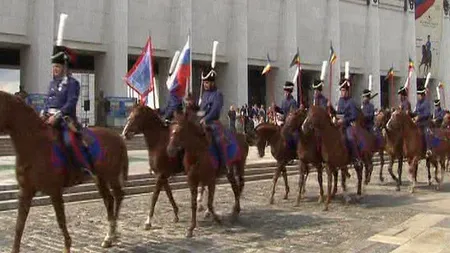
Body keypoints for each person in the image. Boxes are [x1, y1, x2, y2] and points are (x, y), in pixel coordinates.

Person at [41, 45, 95, 173]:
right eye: (54, 67)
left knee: (69, 141)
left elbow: (71, 102)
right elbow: (47, 101)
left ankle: (82, 166)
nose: (55, 69)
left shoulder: (72, 83)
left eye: (58, 67)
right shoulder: (52, 84)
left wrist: (57, 115)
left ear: (64, 68)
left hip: (66, 119)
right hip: (48, 118)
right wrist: (43, 112)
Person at [199, 65, 230, 169]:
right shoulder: (204, 95)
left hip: (213, 123)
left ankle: (223, 163)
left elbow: (215, 110)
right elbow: (201, 111)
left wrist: (205, 119)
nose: (205, 85)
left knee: (218, 140)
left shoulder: (218, 94)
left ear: (212, 82)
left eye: (207, 82)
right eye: (204, 82)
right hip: (202, 122)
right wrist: (196, 115)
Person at [336, 78, 361, 164]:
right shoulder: (340, 101)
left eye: (343, 90)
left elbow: (354, 115)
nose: (342, 92)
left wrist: (344, 120)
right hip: (339, 124)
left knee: (351, 138)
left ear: (347, 91)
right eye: (341, 90)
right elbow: (338, 112)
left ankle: (356, 157)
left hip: (348, 125)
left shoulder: (351, 102)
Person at [412, 80, 432, 157]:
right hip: (417, 123)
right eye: (417, 94)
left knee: (427, 133)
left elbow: (427, 113)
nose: (418, 96)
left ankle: (428, 149)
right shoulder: (418, 103)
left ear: (423, 95)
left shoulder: (426, 102)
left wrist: (419, 117)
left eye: (419, 94)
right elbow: (415, 112)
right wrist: (410, 114)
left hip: (425, 123)